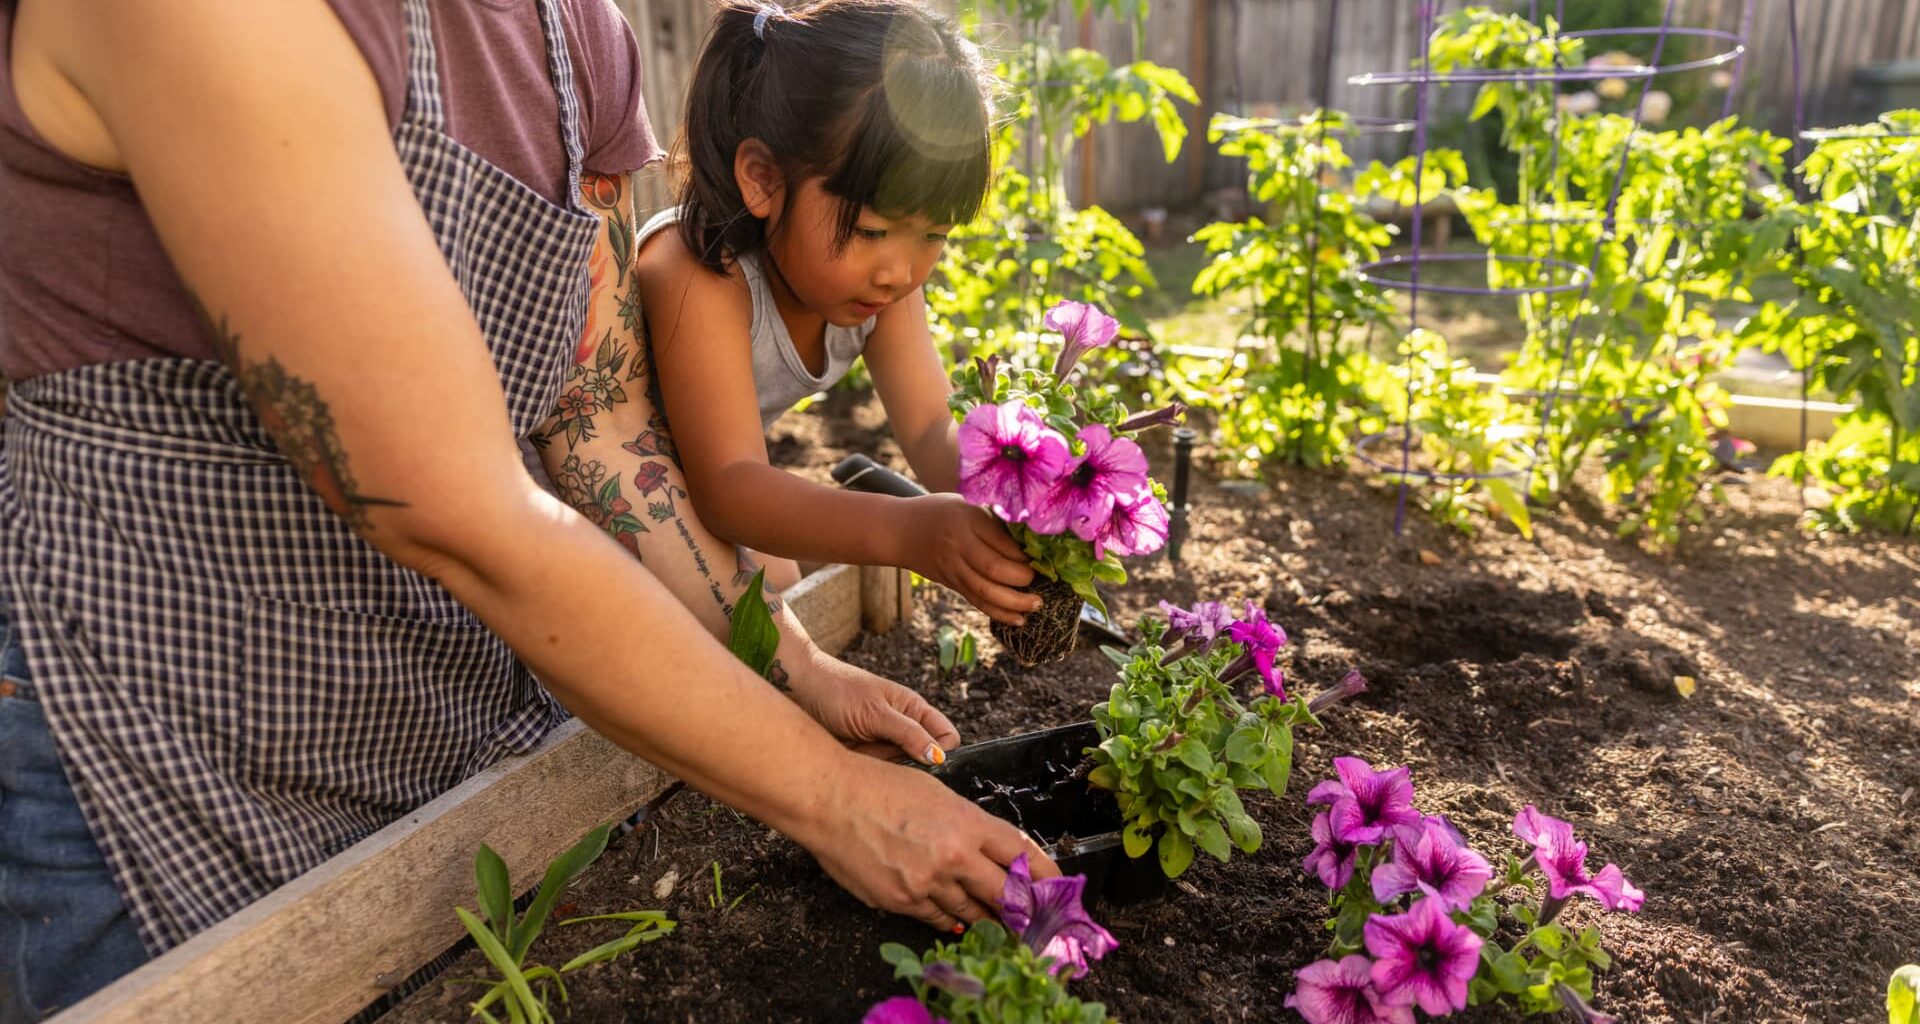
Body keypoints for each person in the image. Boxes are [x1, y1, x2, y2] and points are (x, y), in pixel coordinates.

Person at [0, 0, 1051, 1018]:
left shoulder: (575, 37)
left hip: (456, 741)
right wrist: (832, 795)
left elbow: (600, 429)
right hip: (158, 765)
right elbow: (459, 508)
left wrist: (796, 663)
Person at [634, 0, 1046, 626]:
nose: (900, 272)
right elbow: (730, 485)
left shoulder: (884, 284)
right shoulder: (697, 271)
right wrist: (908, 534)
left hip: (693, 494)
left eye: (933, 235)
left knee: (782, 587)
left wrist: (1029, 489)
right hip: (595, 505)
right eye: (875, 230)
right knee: (758, 607)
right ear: (764, 180)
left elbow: (933, 427)